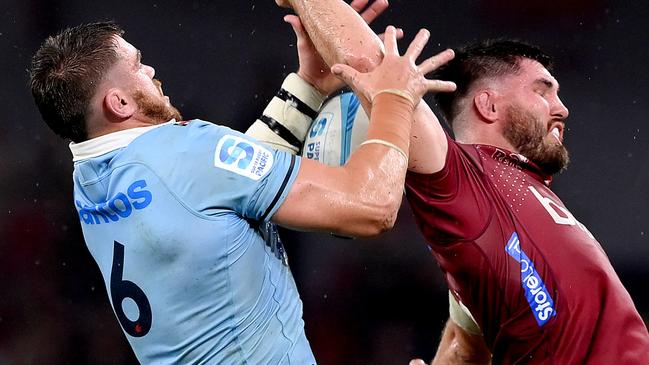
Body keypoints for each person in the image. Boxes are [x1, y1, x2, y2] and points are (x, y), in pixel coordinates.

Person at [28, 5, 456, 362]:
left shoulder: (91, 175)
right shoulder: (185, 152)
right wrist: (395, 99)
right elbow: (370, 208)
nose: (152, 70)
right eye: (138, 65)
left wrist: (308, 87)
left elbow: (222, 188)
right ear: (118, 103)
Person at [275, 0, 649, 363]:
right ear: (488, 105)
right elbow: (374, 67)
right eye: (542, 90)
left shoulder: (505, 203)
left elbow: (463, 341)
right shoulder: (464, 180)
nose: (562, 108)